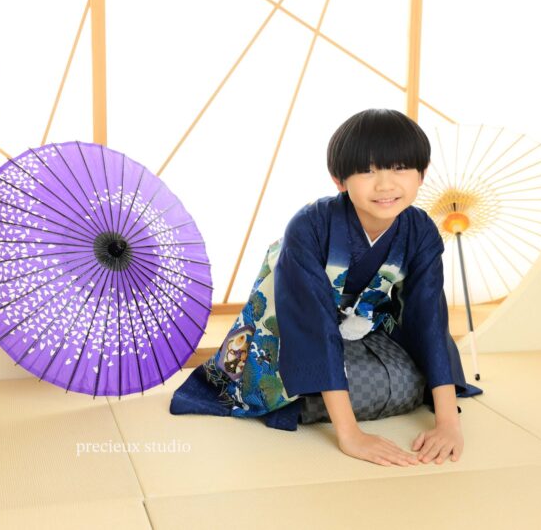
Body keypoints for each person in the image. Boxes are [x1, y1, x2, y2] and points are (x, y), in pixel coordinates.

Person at [170, 108, 482, 467]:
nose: (385, 185)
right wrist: (350, 434)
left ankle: (327, 396)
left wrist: (448, 423)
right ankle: (319, 399)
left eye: (399, 168)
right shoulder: (309, 227)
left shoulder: (420, 230)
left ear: (422, 173)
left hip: (360, 325)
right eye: (367, 170)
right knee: (346, 386)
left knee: (406, 381)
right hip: (293, 328)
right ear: (339, 179)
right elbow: (311, 323)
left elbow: (428, 317)